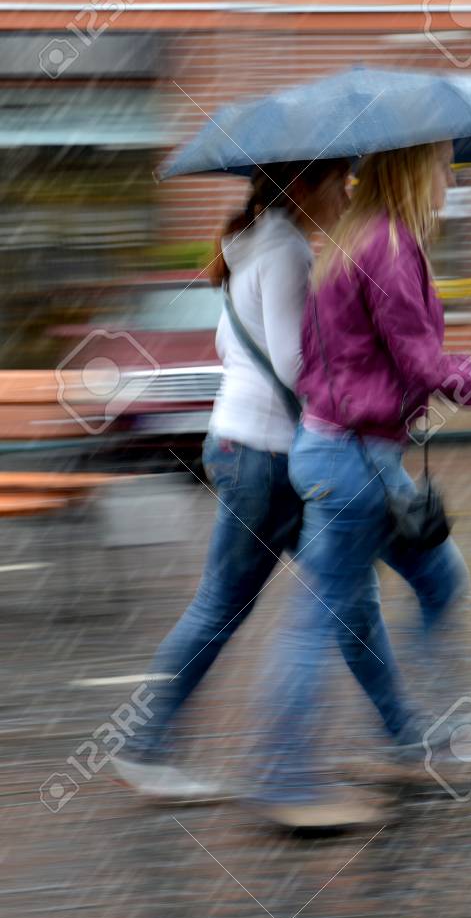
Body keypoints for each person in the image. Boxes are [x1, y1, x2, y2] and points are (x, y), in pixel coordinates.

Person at [252, 141, 471, 828]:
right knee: (318, 620)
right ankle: (286, 780)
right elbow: (421, 365)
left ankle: (409, 737)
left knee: (434, 584)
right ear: (416, 169)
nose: (450, 179)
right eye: (444, 166)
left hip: (347, 452)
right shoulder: (388, 245)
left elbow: (369, 355)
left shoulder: (350, 237)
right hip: (353, 462)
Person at [112, 158, 350, 800]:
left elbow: (231, 344)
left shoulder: (252, 242)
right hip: (265, 455)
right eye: (341, 180)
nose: (349, 192)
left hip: (242, 444)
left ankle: (400, 731)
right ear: (304, 186)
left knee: (342, 591)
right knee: (238, 604)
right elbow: (295, 365)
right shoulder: (286, 250)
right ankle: (148, 745)